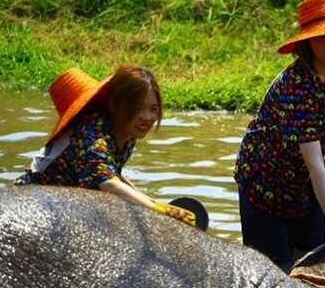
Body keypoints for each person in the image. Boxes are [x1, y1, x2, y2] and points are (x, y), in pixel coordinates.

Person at [233, 0, 325, 271]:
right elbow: (314, 162)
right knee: (275, 275)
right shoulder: (295, 86)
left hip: (306, 187)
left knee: (313, 269)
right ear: (307, 42)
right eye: (323, 37)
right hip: (266, 185)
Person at [14, 64, 193, 224]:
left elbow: (112, 173)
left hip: (65, 203)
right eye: (137, 109)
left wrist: (151, 201)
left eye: (153, 109)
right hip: (33, 203)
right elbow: (108, 183)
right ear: (114, 106)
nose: (147, 117)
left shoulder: (127, 133)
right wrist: (155, 210)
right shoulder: (92, 136)